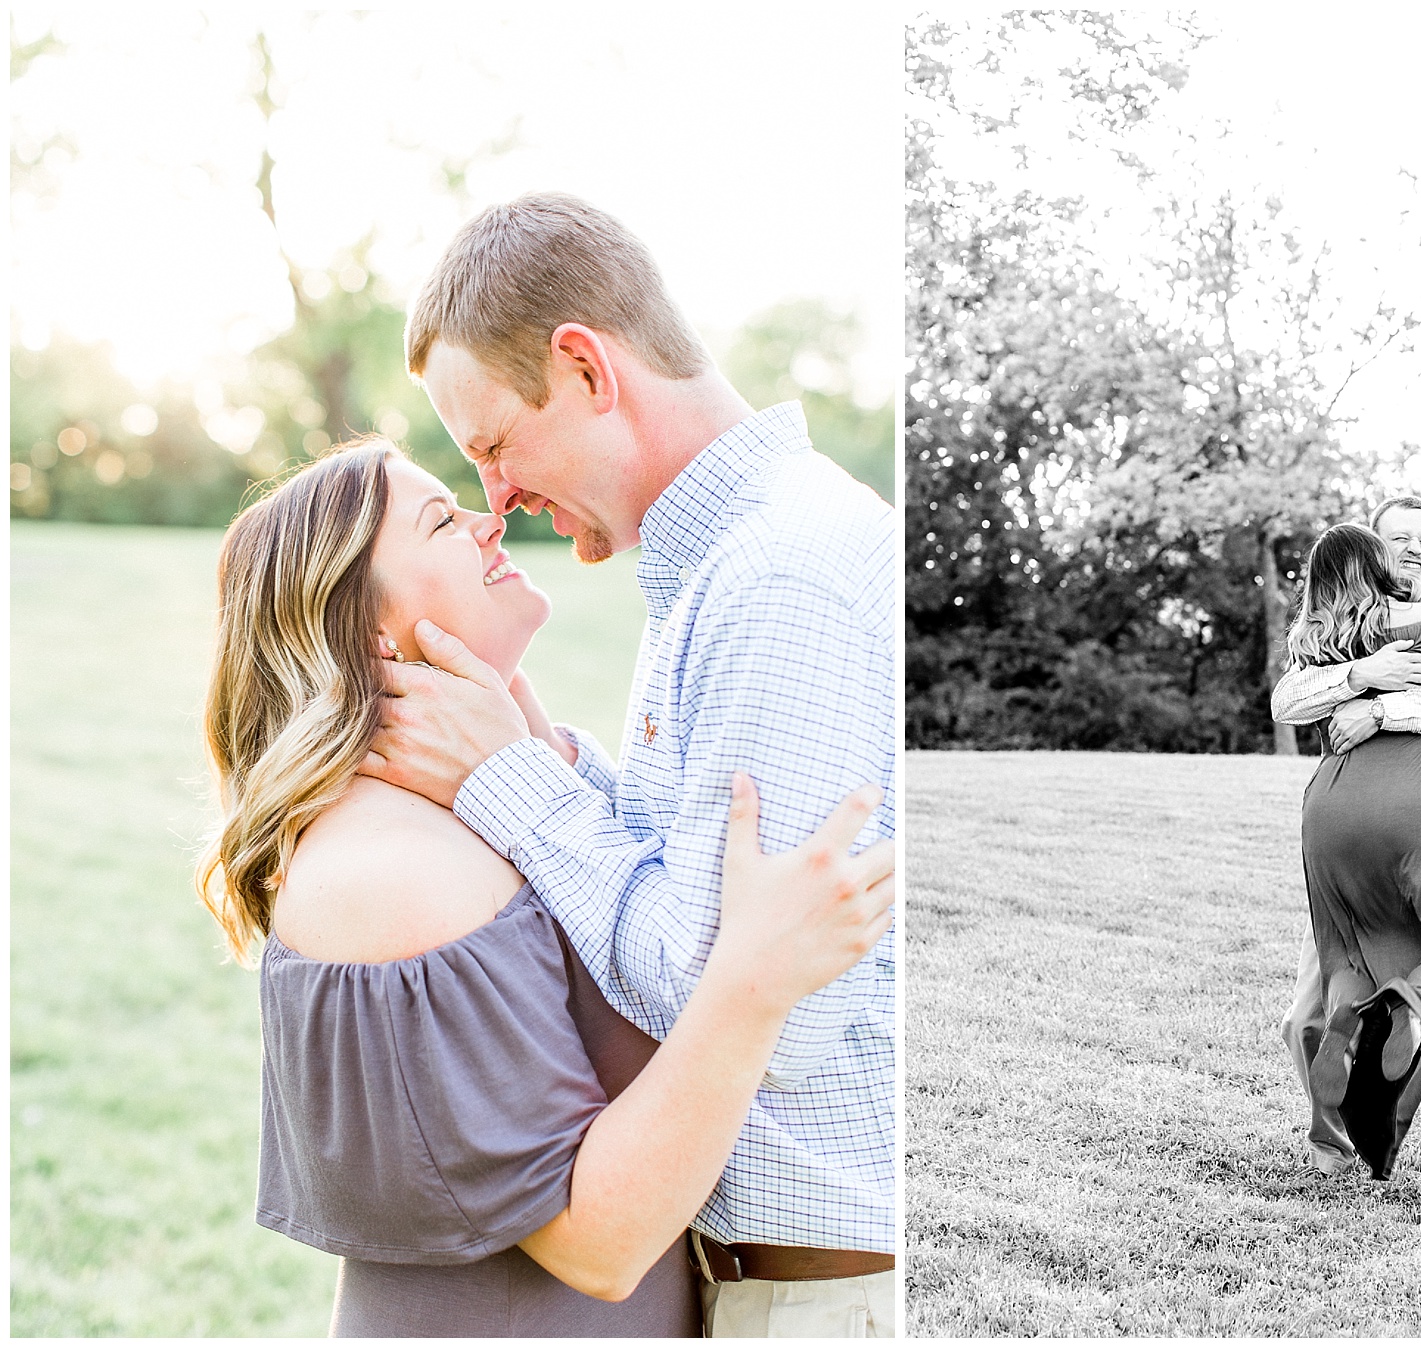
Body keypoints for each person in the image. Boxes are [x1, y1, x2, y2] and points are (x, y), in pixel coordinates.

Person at [196, 441, 894, 1336]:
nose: (491, 517)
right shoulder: (388, 871)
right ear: (372, 632)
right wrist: (756, 978)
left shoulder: (467, 805)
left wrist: (527, 744)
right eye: (443, 520)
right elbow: (597, 1243)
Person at [361, 193, 897, 1336]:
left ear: (586, 367)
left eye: (495, 446)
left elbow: (760, 1005)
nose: (495, 499)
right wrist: (547, 754)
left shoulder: (779, 580)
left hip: (823, 1293)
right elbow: (693, 881)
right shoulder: (720, 563)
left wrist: (509, 786)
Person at [1273, 496, 1421, 1231]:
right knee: (1304, 1016)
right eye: (1399, 537)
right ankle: (1342, 1138)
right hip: (1348, 849)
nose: (1415, 549)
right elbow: (1289, 699)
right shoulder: (1346, 623)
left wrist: (1379, 711)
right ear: (1373, 547)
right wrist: (1361, 676)